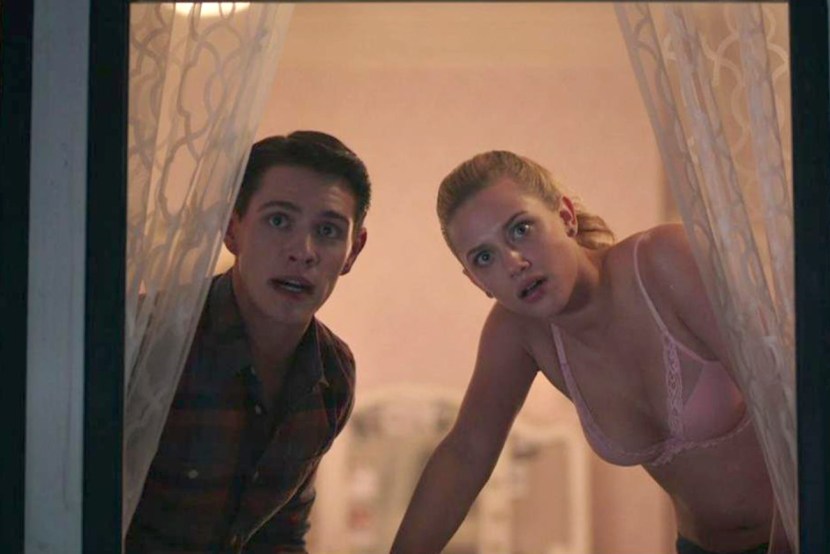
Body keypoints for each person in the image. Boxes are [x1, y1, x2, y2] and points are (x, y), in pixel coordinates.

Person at [390, 151, 789, 554]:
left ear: (565, 216)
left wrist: (790, 541)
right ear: (477, 281)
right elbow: (466, 454)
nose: (514, 263)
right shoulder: (517, 332)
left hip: (803, 529)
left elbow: (785, 399)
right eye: (484, 257)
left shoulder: (666, 259)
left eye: (521, 229)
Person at [126, 131, 370, 553]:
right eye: (278, 221)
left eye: (328, 230)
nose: (303, 251)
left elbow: (281, 533)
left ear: (353, 251)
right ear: (231, 228)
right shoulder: (153, 338)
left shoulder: (332, 373)